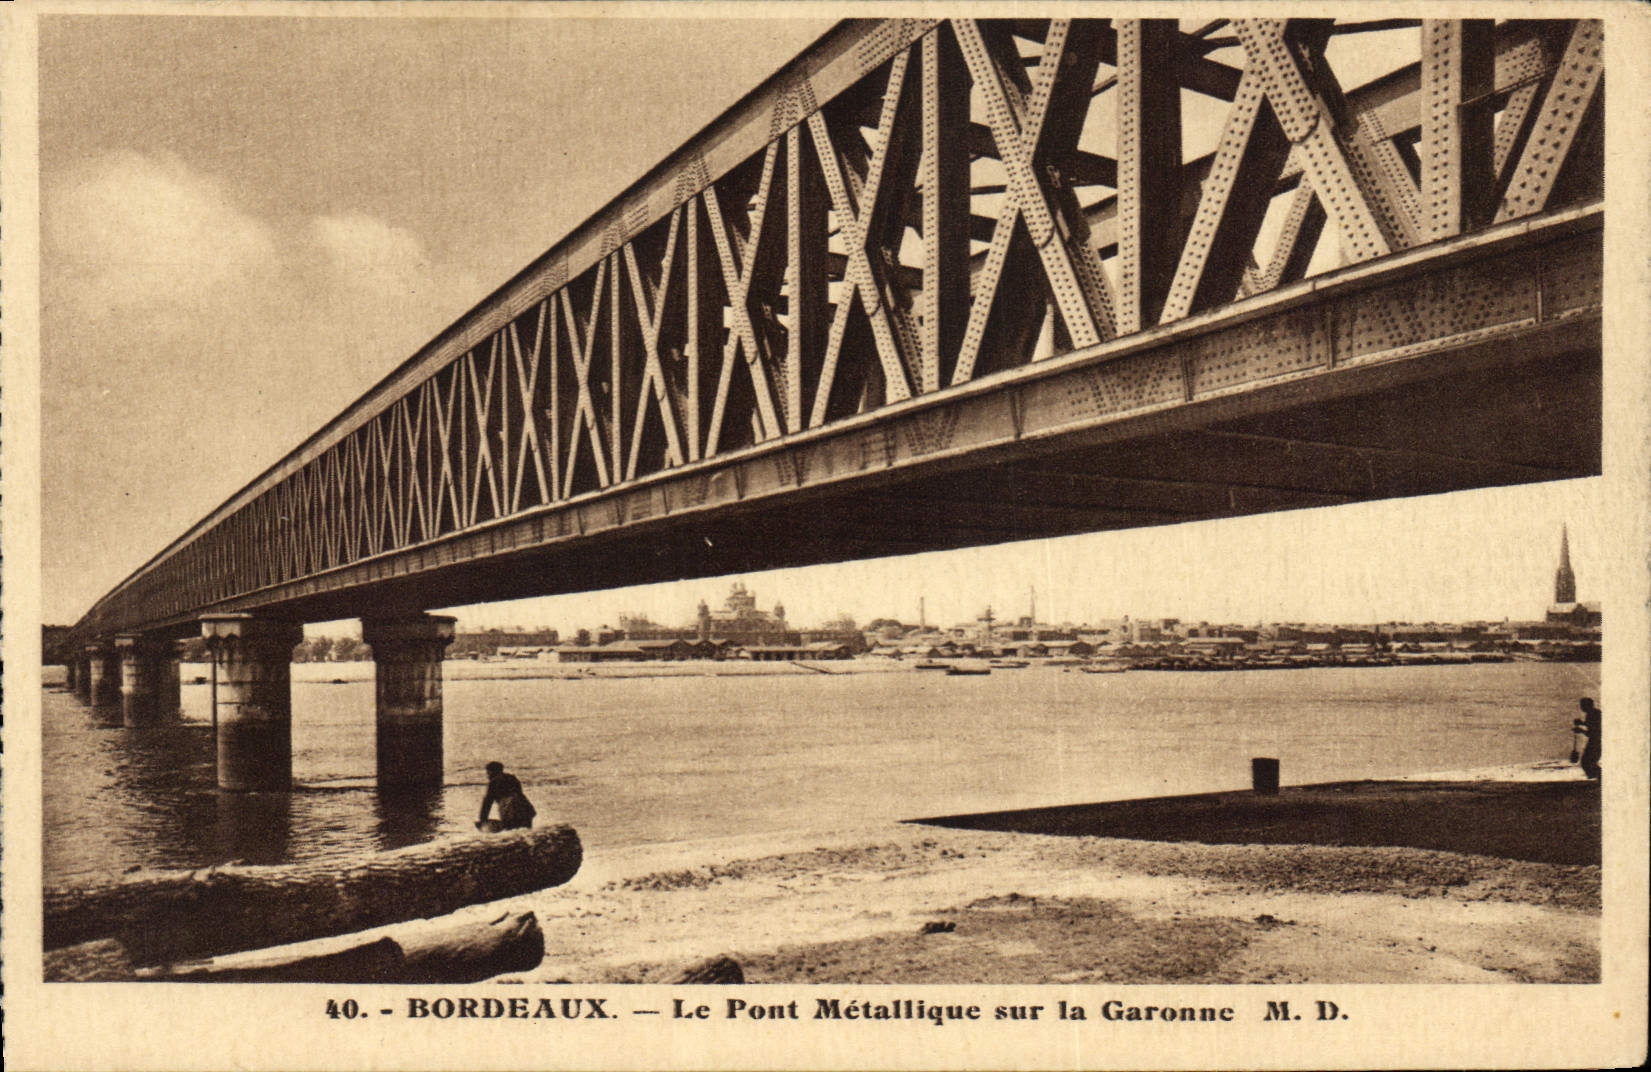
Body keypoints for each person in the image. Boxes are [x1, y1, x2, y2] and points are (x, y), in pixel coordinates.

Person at [476, 761, 537, 831]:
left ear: (491, 772)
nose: (487, 775)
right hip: (524, 807)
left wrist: (482, 819)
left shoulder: (493, 782)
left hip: (509, 809)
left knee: (512, 831)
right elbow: (520, 793)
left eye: (488, 772)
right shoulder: (512, 778)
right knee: (526, 830)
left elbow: (487, 802)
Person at [1571, 698, 1601, 781]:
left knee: (1587, 762)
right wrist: (1581, 723)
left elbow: (1592, 732)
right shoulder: (1594, 713)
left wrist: (1580, 730)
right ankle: (1597, 778)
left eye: (1582, 705)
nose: (1581, 707)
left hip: (1596, 742)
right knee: (1589, 761)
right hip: (1596, 741)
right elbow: (1591, 727)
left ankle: (1598, 778)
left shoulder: (1592, 714)